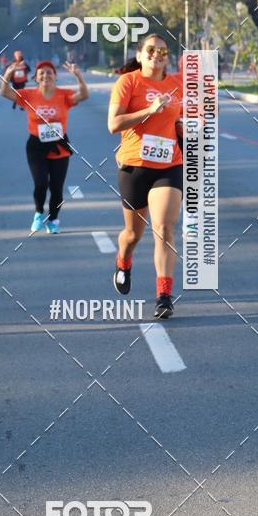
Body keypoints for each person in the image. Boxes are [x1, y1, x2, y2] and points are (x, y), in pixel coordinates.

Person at [107, 33, 183, 320]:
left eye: (163, 51)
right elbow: (113, 124)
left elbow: (184, 116)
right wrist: (149, 110)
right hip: (135, 166)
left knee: (164, 227)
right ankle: (123, 260)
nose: (157, 55)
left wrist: (185, 127)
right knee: (132, 234)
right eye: (151, 50)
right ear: (140, 55)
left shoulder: (176, 84)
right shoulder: (128, 82)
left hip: (168, 164)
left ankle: (164, 296)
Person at [1, 60, 88, 233]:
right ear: (36, 78)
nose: (46, 75)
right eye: (42, 73)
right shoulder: (29, 94)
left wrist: (78, 75)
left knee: (57, 187)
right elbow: (4, 92)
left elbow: (84, 95)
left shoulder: (64, 94)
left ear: (55, 76)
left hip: (59, 145)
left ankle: (53, 220)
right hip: (36, 145)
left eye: (49, 72)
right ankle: (39, 213)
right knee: (41, 183)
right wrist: (8, 74)